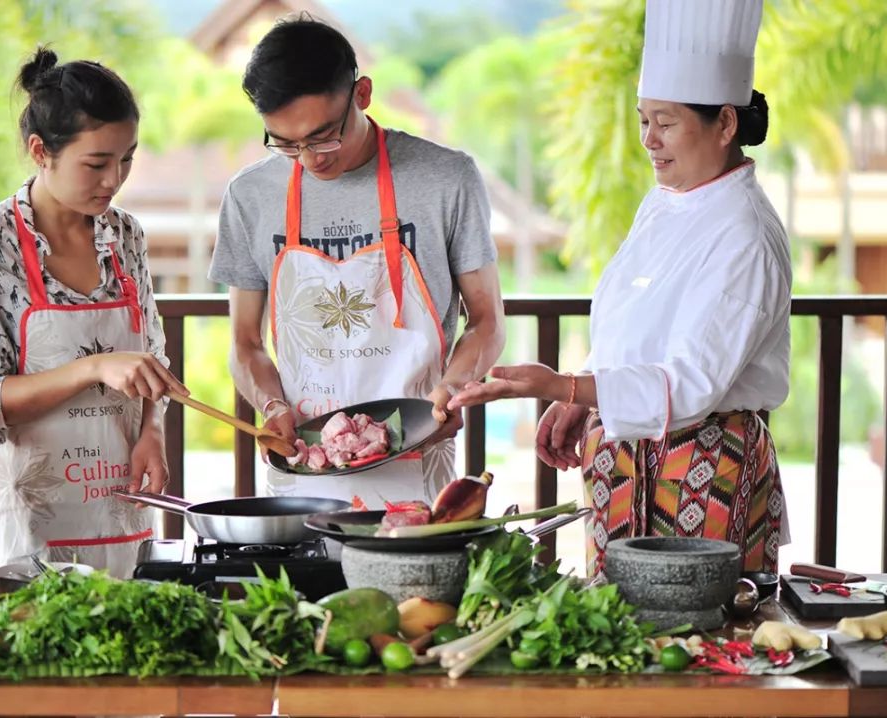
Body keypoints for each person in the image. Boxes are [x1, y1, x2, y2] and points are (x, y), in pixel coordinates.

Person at [449, 0, 791, 579]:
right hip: (623, 465)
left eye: (666, 122)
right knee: (615, 624)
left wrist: (562, 383)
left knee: (702, 627)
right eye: (643, 120)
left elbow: (690, 384)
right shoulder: (664, 202)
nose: (649, 140)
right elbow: (634, 322)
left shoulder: (746, 235)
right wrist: (584, 393)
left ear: (726, 124)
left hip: (704, 468)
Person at [209, 15, 505, 507]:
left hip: (418, 459)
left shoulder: (446, 178)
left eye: (324, 135)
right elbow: (245, 341)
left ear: (362, 93)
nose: (310, 158)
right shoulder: (249, 195)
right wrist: (272, 405)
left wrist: (452, 388)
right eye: (286, 143)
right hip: (303, 468)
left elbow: (488, 321)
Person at [0, 48, 187, 578]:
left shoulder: (125, 235)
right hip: (32, 522)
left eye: (127, 159)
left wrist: (153, 432)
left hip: (122, 502)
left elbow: (151, 359)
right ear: (40, 151)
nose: (114, 179)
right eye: (96, 163)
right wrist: (94, 367)